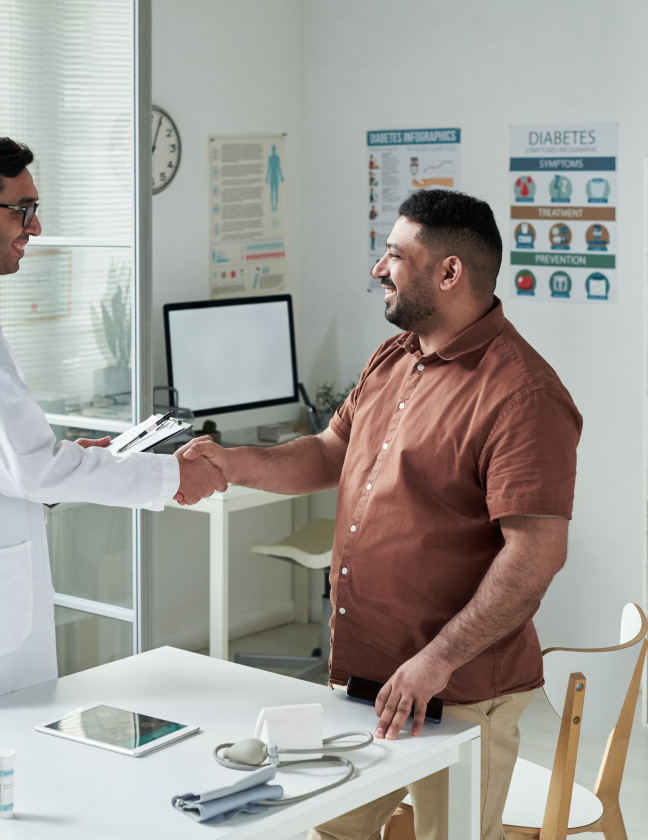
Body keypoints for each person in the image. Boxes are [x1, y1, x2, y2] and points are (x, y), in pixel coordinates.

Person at [178, 188, 582, 840]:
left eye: (395, 255)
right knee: (334, 834)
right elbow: (330, 450)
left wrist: (435, 662)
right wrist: (232, 463)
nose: (378, 269)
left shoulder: (523, 393)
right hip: (366, 678)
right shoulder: (395, 356)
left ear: (449, 272)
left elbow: (535, 554)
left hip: (462, 691)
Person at [0, 135, 225, 733]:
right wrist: (169, 473)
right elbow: (27, 465)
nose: (34, 227)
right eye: (21, 210)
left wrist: (58, 462)